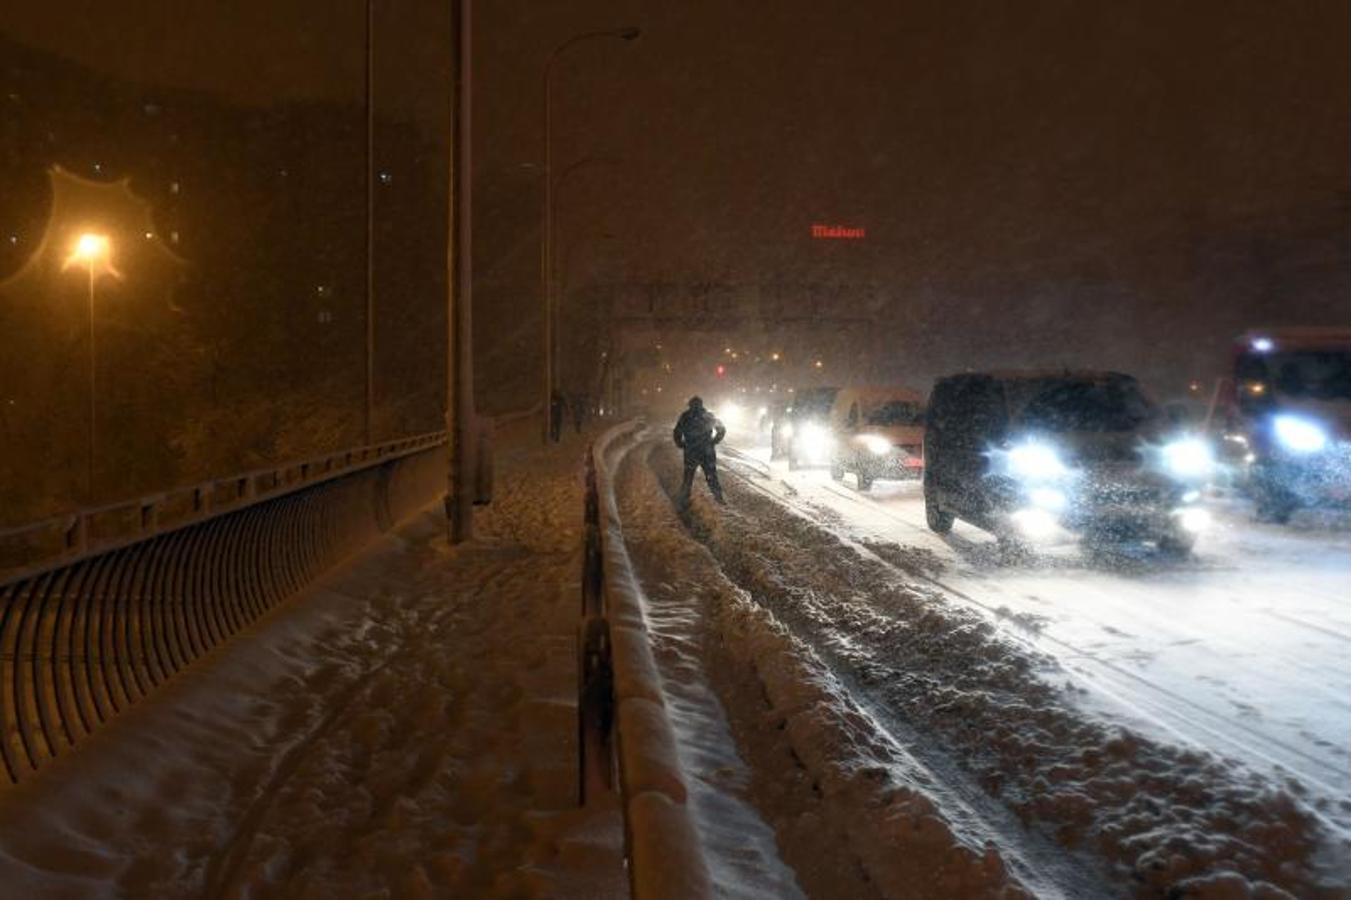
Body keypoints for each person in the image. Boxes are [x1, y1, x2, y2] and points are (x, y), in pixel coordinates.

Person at [673, 396, 726, 505]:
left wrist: (681, 444)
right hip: (707, 451)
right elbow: (721, 429)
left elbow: (677, 432)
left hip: (691, 451)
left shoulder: (685, 416)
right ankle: (718, 498)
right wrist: (714, 441)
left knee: (688, 476)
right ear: (702, 405)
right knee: (711, 475)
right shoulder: (709, 416)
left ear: (690, 405)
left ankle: (684, 497)